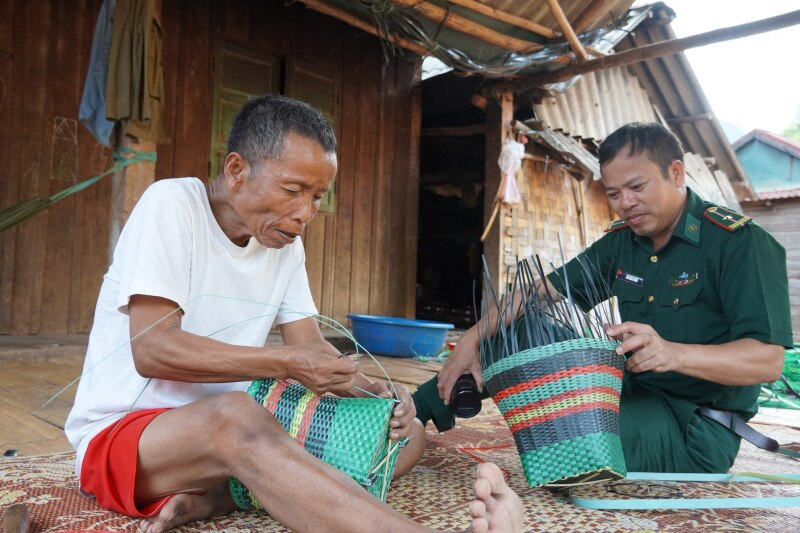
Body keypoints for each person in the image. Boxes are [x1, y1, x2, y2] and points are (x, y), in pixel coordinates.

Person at [65, 95, 523, 533]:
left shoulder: (284, 246)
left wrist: (379, 390)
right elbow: (154, 350)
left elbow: (310, 349)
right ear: (237, 170)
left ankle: (221, 495)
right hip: (129, 441)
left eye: (318, 197)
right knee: (235, 417)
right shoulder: (172, 205)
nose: (305, 213)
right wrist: (284, 363)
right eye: (292, 190)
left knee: (405, 439)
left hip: (237, 428)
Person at [415, 121, 793, 473]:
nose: (625, 202)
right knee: (516, 326)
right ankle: (412, 412)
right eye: (613, 193)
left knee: (575, 440)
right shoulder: (622, 240)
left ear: (676, 173)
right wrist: (471, 338)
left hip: (694, 424)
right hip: (627, 389)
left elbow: (768, 361)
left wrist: (673, 353)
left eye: (637, 187)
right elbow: (538, 291)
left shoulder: (739, 243)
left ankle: (584, 444)